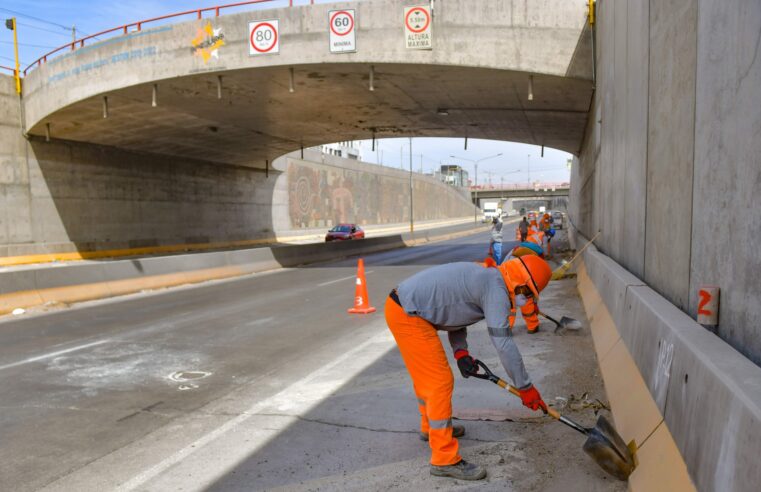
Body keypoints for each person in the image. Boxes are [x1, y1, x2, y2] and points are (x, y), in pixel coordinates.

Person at [384, 255, 552, 480]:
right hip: (408, 315)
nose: (526, 299)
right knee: (439, 381)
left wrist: (460, 351)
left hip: (403, 306)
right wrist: (525, 387)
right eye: (528, 293)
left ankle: (431, 428)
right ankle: (444, 459)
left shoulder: (489, 276)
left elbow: (456, 314)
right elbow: (503, 343)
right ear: (520, 284)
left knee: (428, 378)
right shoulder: (496, 291)